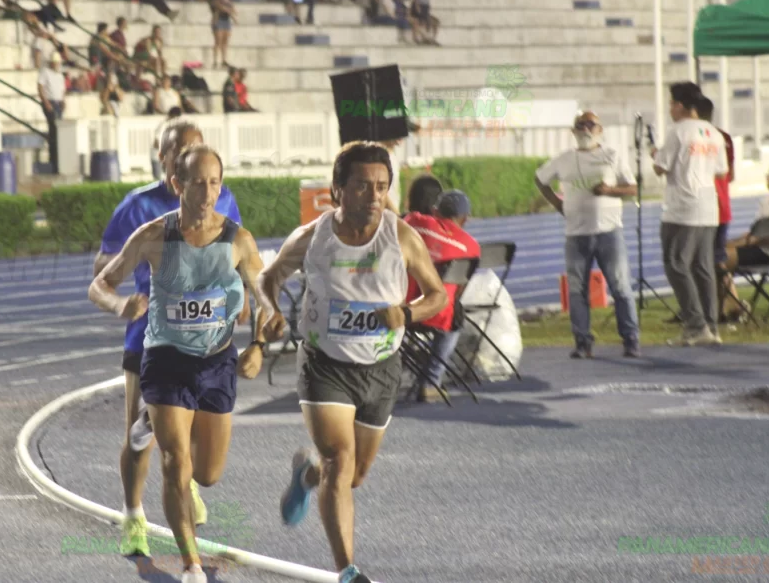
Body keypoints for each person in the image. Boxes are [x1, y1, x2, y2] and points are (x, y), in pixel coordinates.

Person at [256, 141, 447, 583]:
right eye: (362, 185)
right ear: (337, 190)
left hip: (381, 368)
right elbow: (269, 277)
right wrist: (270, 310)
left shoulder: (402, 237)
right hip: (325, 365)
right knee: (340, 462)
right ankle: (347, 571)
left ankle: (307, 475)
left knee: (354, 475)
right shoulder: (313, 237)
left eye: (381, 187)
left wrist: (407, 314)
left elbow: (437, 295)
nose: (374, 196)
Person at [90, 144, 266, 583]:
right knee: (175, 462)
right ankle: (191, 564)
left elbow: (266, 295)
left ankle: (148, 417)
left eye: (215, 183)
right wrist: (119, 305)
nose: (207, 193)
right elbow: (100, 284)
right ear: (177, 184)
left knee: (207, 474)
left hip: (216, 362)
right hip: (166, 359)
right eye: (198, 183)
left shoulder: (238, 240)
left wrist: (259, 344)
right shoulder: (153, 235)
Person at [535, 110, 641, 358]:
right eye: (580, 125)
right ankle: (583, 342)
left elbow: (632, 188)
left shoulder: (612, 155)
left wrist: (609, 190)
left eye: (590, 124)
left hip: (609, 232)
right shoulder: (563, 159)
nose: (585, 128)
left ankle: (630, 339)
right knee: (576, 291)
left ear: (600, 130)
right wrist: (557, 203)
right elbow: (540, 179)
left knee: (621, 287)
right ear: (573, 131)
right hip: (576, 234)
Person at [652, 83, 728, 346]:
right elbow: (721, 171)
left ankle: (696, 325)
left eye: (671, 104)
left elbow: (660, 168)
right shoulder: (714, 133)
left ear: (681, 105)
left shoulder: (678, 131)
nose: (670, 109)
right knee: (703, 267)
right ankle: (711, 326)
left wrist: (656, 154)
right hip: (708, 208)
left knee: (676, 264)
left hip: (682, 208)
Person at [402, 176, 480, 400]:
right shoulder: (471, 246)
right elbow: (460, 289)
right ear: (465, 218)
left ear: (436, 211)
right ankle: (431, 381)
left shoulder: (416, 222)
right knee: (454, 315)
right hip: (439, 315)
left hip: (404, 308)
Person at [696, 96, 740, 322]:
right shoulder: (724, 137)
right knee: (714, 259)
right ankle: (724, 307)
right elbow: (730, 175)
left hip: (705, 208)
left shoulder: (696, 138)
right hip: (722, 207)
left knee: (708, 260)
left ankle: (724, 308)